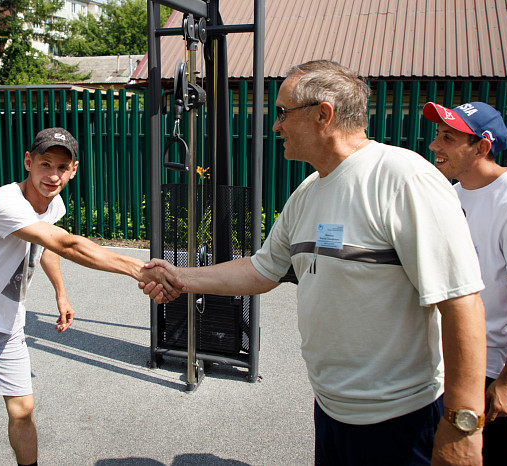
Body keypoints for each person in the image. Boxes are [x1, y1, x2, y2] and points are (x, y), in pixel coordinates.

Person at [142, 60, 488, 465]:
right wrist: (179, 276)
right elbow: (260, 270)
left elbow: (461, 302)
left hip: (399, 420)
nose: (276, 126)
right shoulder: (309, 190)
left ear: (323, 114)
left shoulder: (403, 177)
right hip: (331, 411)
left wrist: (462, 428)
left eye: (284, 112)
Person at [0, 127, 181, 466]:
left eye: (62, 168)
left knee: (23, 410)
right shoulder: (7, 202)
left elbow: (47, 248)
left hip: (8, 321)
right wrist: (139, 270)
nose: (53, 175)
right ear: (28, 162)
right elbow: (66, 243)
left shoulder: (53, 203)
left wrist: (61, 295)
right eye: (45, 164)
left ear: (73, 170)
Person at [424, 101, 507, 466]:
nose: (435, 145)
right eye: (437, 135)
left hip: (493, 369)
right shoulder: (454, 194)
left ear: (482, 146)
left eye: (448, 137)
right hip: (451, 360)